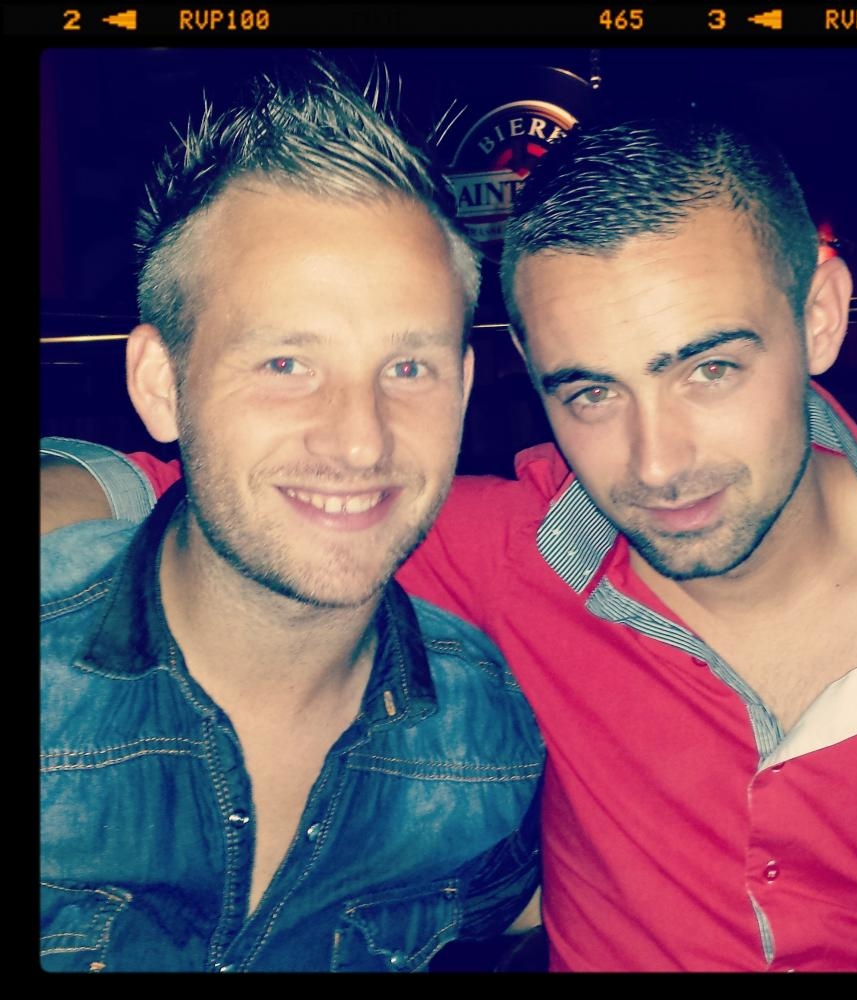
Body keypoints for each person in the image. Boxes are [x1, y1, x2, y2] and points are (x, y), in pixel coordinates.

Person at [42, 112, 857, 972]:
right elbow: (232, 490)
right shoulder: (499, 548)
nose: (657, 463)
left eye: (710, 369)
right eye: (591, 392)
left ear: (819, 315)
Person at [39, 54, 546, 973]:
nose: (359, 441)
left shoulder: (487, 742)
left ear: (466, 386)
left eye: (408, 368)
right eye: (286, 364)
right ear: (161, 384)